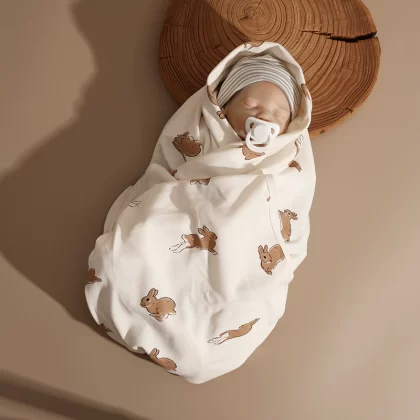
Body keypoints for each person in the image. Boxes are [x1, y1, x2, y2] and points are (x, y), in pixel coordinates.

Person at [86, 41, 315, 384]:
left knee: (233, 293)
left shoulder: (285, 164)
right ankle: (128, 296)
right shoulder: (202, 136)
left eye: (281, 112)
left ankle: (202, 344)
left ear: (292, 124)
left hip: (241, 248)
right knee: (126, 254)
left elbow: (292, 217)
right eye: (252, 104)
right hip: (184, 216)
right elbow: (167, 174)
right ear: (223, 108)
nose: (266, 115)